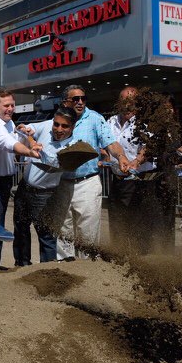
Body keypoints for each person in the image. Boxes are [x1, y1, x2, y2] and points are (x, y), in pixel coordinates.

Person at [55, 85, 131, 258]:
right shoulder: (57, 119)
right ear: (65, 101)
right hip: (60, 183)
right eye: (75, 99)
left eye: (83, 98)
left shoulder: (95, 119)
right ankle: (63, 271)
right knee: (62, 232)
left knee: (87, 234)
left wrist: (120, 156)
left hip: (87, 183)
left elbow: (110, 143)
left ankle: (86, 273)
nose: (80, 102)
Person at [0, 88, 40, 271]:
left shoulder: (8, 122)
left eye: (12, 105)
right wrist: (30, 151)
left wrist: (28, 137)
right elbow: (10, 144)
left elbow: (17, 136)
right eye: (6, 105)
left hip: (5, 181)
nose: (10, 109)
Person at [13, 107, 75, 265]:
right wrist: (27, 129)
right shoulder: (48, 125)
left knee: (46, 236)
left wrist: (32, 142)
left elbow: (51, 161)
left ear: (72, 127)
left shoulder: (72, 146)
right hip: (24, 187)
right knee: (20, 228)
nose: (58, 129)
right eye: (57, 124)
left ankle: (47, 272)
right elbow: (32, 128)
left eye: (64, 126)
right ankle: (21, 265)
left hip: (45, 195)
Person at [105, 86, 162, 254]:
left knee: (138, 224)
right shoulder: (111, 122)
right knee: (117, 222)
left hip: (139, 182)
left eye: (131, 101)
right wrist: (105, 157)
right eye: (124, 100)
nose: (127, 104)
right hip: (117, 179)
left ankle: (142, 259)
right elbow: (107, 144)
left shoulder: (145, 122)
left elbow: (148, 146)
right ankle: (118, 256)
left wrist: (136, 162)